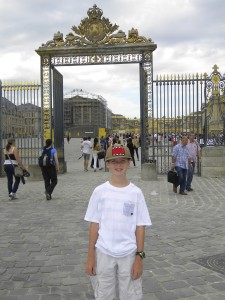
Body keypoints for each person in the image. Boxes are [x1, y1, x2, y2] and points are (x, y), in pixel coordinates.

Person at [84, 144, 151, 300]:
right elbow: (94, 225)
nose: (118, 165)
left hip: (129, 253)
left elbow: (140, 226)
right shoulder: (99, 192)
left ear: (129, 163)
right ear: (107, 164)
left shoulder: (136, 193)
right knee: (104, 294)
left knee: (130, 295)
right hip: (103, 251)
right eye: (114, 161)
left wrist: (139, 258)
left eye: (122, 161)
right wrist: (90, 257)